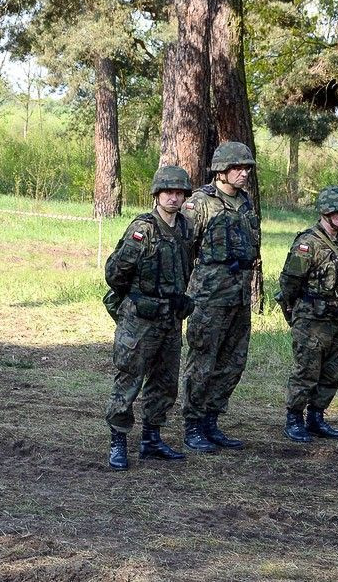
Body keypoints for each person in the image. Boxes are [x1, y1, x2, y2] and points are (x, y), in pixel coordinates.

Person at [104, 165, 196, 469]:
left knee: (165, 382)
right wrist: (137, 298)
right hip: (140, 319)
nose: (174, 197)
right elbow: (115, 273)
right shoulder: (143, 229)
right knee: (129, 378)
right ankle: (118, 441)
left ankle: (151, 439)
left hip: (170, 319)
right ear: (157, 194)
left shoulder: (185, 228)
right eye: (168, 192)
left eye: (179, 192)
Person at [180, 141, 260, 453]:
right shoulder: (200, 203)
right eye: (237, 168)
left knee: (232, 362)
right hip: (209, 298)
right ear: (221, 170)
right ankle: (193, 423)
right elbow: (183, 248)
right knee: (203, 360)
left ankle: (211, 420)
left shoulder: (245, 202)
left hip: (238, 297)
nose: (243, 173)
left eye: (246, 168)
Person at [276, 186, 338, 442]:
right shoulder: (307, 243)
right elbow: (289, 282)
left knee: (330, 372)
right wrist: (295, 312)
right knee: (307, 371)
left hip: (336, 319)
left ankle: (316, 417)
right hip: (311, 320)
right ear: (326, 212)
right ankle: (294, 418)